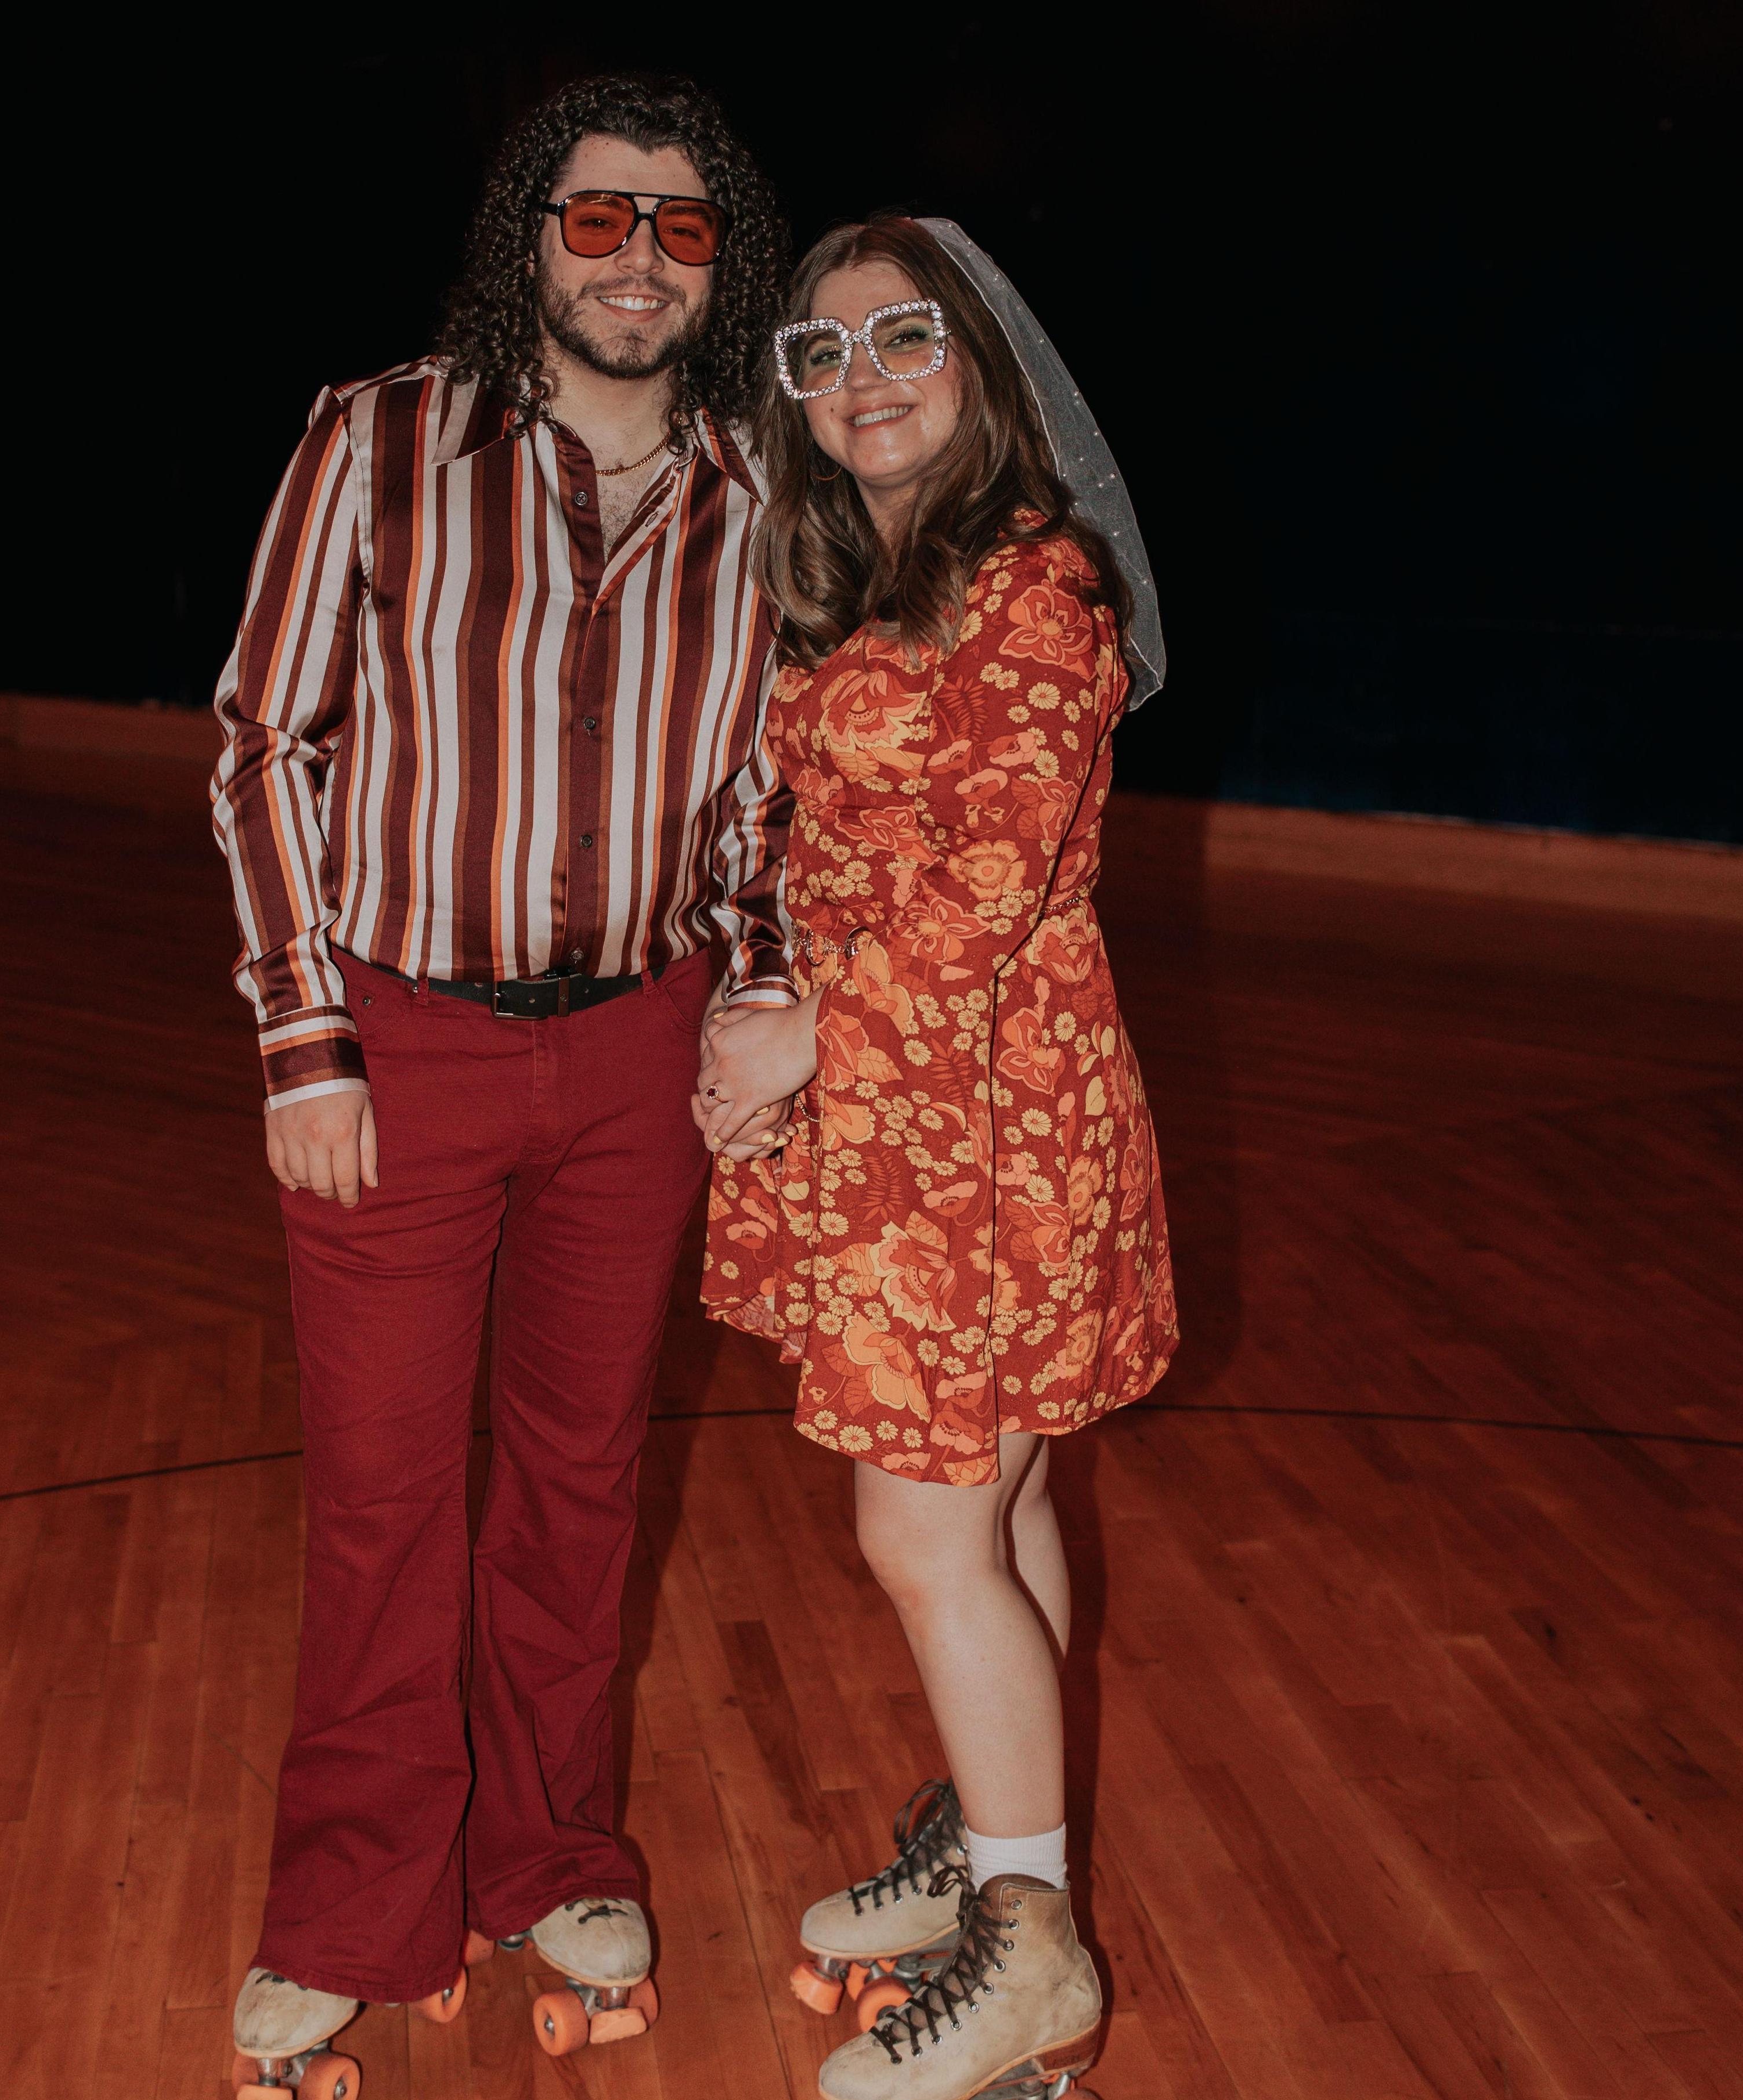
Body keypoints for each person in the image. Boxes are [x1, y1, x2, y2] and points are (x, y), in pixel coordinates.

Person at [208, 74, 795, 2091]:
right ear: (526, 237)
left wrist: (753, 995)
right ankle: (347, 1910)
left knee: (579, 1477)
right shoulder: (378, 437)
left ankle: (552, 1854)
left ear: (721, 261)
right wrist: (305, 1040)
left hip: (638, 1049)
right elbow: (262, 745)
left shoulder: (761, 480)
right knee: (384, 1501)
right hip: (402, 1046)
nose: (637, 258)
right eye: (597, 216)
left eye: (681, 226)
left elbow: (769, 796)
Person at [695, 213, 1178, 2100]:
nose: (861, 380)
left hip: (979, 1118)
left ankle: (1033, 1951)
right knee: (1004, 1494)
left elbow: (986, 883)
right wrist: (764, 1010)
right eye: (819, 356)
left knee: (919, 1527)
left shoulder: (1033, 586)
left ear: (976, 361)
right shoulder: (876, 579)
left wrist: (798, 1032)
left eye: (901, 337)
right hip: (920, 1105)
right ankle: (997, 1852)